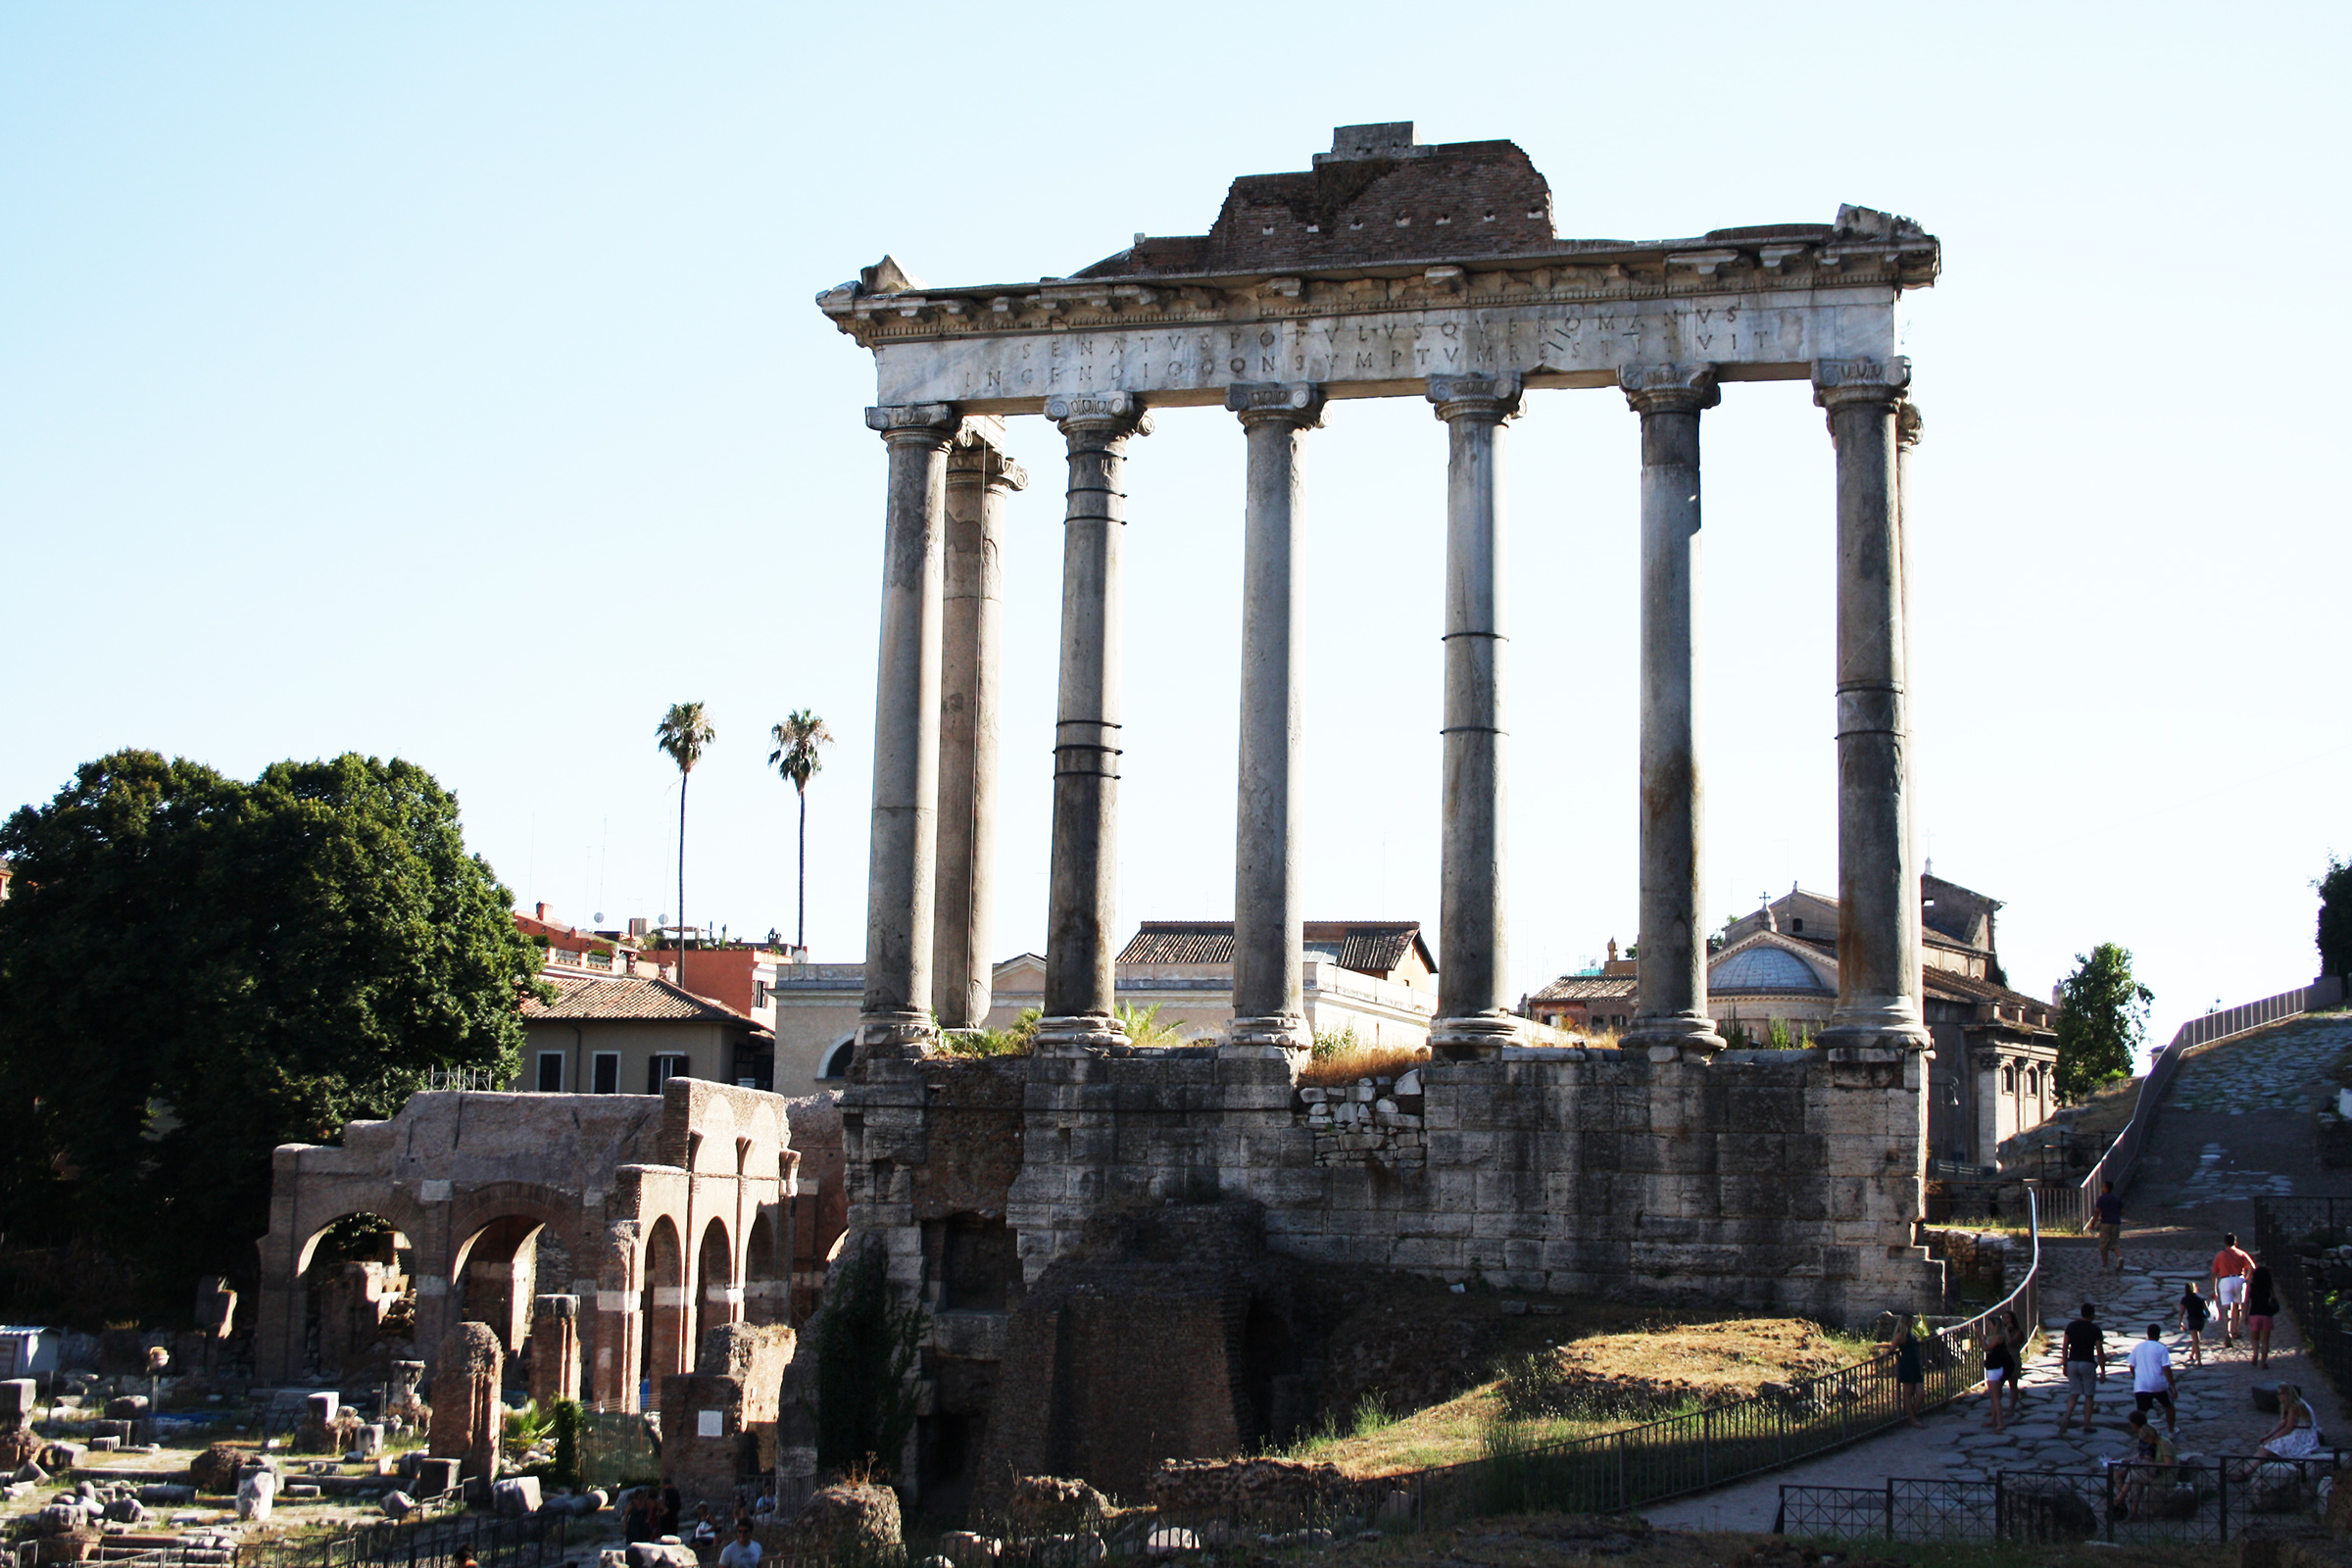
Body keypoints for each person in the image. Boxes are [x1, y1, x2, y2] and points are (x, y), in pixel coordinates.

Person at [2059, 1301, 2108, 1435]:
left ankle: (2066, 1418)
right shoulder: (2095, 1330)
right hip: (2087, 1363)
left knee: (2074, 1394)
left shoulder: (2071, 1326)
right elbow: (2099, 1351)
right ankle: (2087, 1424)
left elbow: (2065, 1346)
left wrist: (2064, 1363)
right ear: (2092, 1315)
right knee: (2089, 1396)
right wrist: (2103, 1370)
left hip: (2073, 1363)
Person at [2123, 1410, 2179, 1519]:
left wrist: (2153, 1463)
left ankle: (2120, 1499)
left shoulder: (2164, 1444)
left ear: (2150, 1436)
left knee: (2133, 1474)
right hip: (2159, 1474)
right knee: (2135, 1483)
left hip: (2166, 1478)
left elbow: (2168, 1464)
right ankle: (2133, 1513)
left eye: (2146, 1438)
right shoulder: (2158, 1444)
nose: (2146, 1441)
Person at [2128, 1321, 2178, 1436]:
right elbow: (2166, 1368)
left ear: (2147, 1334)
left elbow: (2131, 1366)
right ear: (2159, 1335)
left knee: (2142, 1411)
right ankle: (2171, 1430)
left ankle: (2142, 1434)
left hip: (2141, 1385)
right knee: (2169, 1406)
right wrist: (2172, 1386)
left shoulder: (2138, 1347)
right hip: (2159, 1384)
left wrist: (2137, 1377)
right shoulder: (2161, 1348)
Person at [2212, 1232, 2255, 1344]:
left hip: (2225, 1280)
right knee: (2238, 1306)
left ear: (2225, 1242)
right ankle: (2236, 1330)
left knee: (2226, 1308)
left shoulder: (2220, 1255)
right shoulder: (2242, 1254)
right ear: (2236, 1242)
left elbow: (2214, 1273)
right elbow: (2252, 1267)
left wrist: (2215, 1290)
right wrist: (2247, 1278)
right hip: (2239, 1279)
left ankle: (2228, 1332)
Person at [2260, 1382, 2321, 1458]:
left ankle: (2250, 1465)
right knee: (2265, 1448)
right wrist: (2269, 1435)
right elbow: (2282, 1423)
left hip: (2303, 1436)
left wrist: (2272, 1439)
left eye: (2279, 1394)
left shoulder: (2295, 1407)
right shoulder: (2289, 1405)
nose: (2278, 1396)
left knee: (2267, 1448)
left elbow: (2288, 1428)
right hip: (2298, 1433)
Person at [1886, 1312, 1927, 1428]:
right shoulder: (1900, 1336)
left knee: (1921, 1393)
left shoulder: (1912, 1334)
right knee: (1908, 1394)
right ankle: (1912, 1418)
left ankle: (1911, 1415)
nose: (1912, 1323)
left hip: (1916, 1365)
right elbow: (1892, 1348)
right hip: (1907, 1365)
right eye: (1910, 1321)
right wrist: (1885, 1354)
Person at [1981, 1313, 2015, 1433]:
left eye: (1990, 1324)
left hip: (1996, 1368)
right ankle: (1993, 1419)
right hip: (1995, 1367)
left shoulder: (1998, 1337)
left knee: (1995, 1397)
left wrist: (1980, 1336)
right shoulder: (1996, 1337)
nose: (1989, 1326)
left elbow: (1986, 1348)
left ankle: (2000, 1423)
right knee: (1994, 1396)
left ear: (1995, 1326)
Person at [2247, 1263, 2280, 1369]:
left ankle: (2255, 1354)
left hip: (2254, 1314)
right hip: (2267, 1315)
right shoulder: (2269, 1288)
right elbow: (2274, 1300)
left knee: (2255, 1338)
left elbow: (2247, 1301)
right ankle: (2263, 1362)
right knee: (2265, 1340)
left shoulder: (2251, 1287)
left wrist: (2245, 1315)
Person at [2091, 1181, 2125, 1271]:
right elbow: (2123, 1211)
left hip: (2106, 1222)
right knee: (2114, 1243)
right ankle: (2120, 1257)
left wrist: (2093, 1223)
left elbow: (2097, 1212)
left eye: (2103, 1186)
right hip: (2116, 1222)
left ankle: (2105, 1266)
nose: (2102, 1188)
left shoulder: (2102, 1198)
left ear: (2106, 1188)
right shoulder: (2117, 1198)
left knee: (2104, 1245)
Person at [2178, 1281, 2211, 1366]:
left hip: (2192, 1320)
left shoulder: (2185, 1299)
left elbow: (2182, 1312)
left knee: (2196, 1341)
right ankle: (2192, 1354)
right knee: (2196, 1339)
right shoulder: (2201, 1298)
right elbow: (2207, 1312)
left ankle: (2199, 1361)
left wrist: (2181, 1322)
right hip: (2201, 1321)